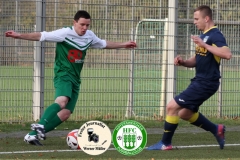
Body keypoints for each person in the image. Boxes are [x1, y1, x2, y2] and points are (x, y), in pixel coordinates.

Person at [5, 10, 137, 146]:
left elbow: (103, 44)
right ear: (74, 23)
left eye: (87, 25)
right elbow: (41, 36)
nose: (85, 28)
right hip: (63, 74)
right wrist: (19, 35)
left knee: (65, 113)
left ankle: (31, 136)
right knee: (62, 101)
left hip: (75, 78)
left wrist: (123, 45)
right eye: (82, 25)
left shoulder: (89, 36)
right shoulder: (64, 33)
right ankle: (40, 126)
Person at [147, 5, 232, 150]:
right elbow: (197, 59)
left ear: (206, 18)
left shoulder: (215, 35)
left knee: (171, 106)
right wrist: (183, 62)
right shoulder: (204, 36)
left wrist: (204, 44)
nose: (194, 22)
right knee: (185, 113)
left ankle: (165, 143)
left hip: (206, 82)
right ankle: (216, 129)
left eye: (196, 18)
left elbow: (227, 54)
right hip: (200, 81)